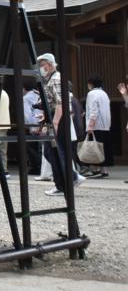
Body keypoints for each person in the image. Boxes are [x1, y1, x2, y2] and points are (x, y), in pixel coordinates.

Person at [36, 53, 82, 197]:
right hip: (57, 118)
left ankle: (64, 183)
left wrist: (55, 122)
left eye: (42, 65)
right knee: (53, 151)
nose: (41, 69)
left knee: (54, 151)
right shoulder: (53, 78)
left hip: (59, 120)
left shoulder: (55, 78)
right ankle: (70, 178)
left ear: (49, 65)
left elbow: (61, 102)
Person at [84, 76, 112, 177]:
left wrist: (90, 125)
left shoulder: (91, 94)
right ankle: (104, 170)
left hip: (96, 125)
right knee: (104, 148)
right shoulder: (104, 93)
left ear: (91, 83)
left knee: (95, 148)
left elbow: (93, 111)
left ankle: (96, 169)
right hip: (105, 125)